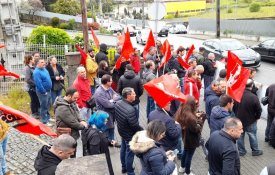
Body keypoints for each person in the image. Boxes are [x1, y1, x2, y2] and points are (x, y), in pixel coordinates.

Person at [115, 87, 143, 175]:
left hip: (122, 131)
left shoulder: (118, 103)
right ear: (128, 96)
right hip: (129, 135)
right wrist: (143, 130)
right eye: (133, 93)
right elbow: (134, 126)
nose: (135, 95)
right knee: (130, 153)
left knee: (123, 149)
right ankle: (130, 171)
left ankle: (124, 167)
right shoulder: (131, 110)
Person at [176, 96, 205, 175]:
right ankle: (188, 172)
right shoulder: (190, 117)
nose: (196, 105)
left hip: (185, 137)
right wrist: (200, 121)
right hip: (192, 139)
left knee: (185, 151)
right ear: (191, 105)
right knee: (189, 156)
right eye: (194, 104)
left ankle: (182, 167)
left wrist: (195, 115)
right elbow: (196, 129)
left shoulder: (181, 111)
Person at [81, 111, 114, 175]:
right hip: (101, 163)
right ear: (99, 120)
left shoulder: (89, 128)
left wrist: (109, 142)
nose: (107, 120)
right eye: (104, 119)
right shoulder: (95, 135)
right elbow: (95, 154)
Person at [237, 79, 263, 156]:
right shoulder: (254, 97)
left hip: (239, 120)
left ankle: (241, 151)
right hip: (251, 120)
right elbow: (259, 110)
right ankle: (255, 151)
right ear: (251, 86)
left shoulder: (237, 94)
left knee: (240, 136)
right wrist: (257, 117)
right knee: (252, 135)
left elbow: (233, 107)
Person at [94, 74, 120, 147]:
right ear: (107, 82)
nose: (112, 82)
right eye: (111, 81)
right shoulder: (99, 92)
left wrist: (112, 100)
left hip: (111, 114)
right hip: (104, 115)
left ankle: (111, 142)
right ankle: (105, 144)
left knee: (111, 128)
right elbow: (108, 105)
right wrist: (113, 100)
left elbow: (117, 96)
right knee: (105, 129)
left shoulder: (109, 88)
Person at [33, 58, 52, 126]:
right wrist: (43, 91)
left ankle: (48, 117)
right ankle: (44, 121)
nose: (44, 63)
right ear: (37, 64)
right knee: (43, 106)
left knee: (48, 104)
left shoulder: (44, 69)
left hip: (49, 90)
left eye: (44, 62)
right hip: (43, 92)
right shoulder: (36, 72)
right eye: (42, 62)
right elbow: (38, 84)